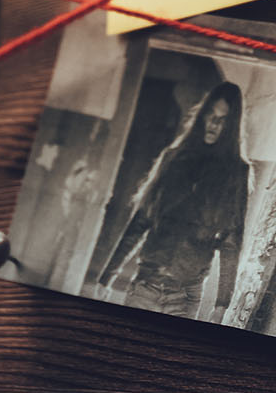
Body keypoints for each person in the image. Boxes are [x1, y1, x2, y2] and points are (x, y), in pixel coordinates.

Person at [98, 80, 251, 321]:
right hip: (146, 285)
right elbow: (141, 221)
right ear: (201, 116)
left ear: (231, 125)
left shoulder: (236, 172)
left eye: (222, 119)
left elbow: (231, 241)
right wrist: (107, 276)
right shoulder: (173, 158)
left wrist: (222, 304)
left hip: (186, 296)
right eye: (210, 114)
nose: (213, 123)